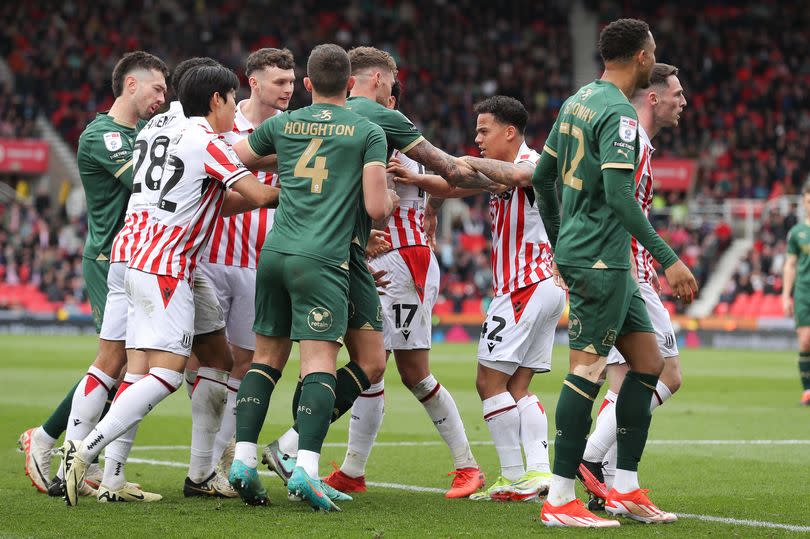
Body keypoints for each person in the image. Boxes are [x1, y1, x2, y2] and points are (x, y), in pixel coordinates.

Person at [60, 61, 280, 507]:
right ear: (216, 100)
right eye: (232, 99)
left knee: (201, 359)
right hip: (168, 262)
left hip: (136, 252)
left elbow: (212, 198)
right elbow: (257, 195)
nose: (234, 107)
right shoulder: (207, 141)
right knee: (165, 375)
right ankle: (86, 451)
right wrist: (313, 185)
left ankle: (133, 478)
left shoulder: (156, 126)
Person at [532, 18, 698, 527]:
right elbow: (621, 198)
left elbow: (542, 178)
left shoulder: (577, 101)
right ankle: (559, 498)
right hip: (601, 260)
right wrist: (669, 259)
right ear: (643, 57)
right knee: (586, 372)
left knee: (647, 366)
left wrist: (561, 242)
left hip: (603, 259)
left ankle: (624, 488)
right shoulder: (621, 117)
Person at [227, 43, 391, 512]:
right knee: (318, 361)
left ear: (307, 83)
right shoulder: (367, 131)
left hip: (275, 252)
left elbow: (238, 155)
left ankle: (242, 462)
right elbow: (377, 209)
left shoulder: (283, 124)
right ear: (352, 84)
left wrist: (282, 163)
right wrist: (388, 199)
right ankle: (306, 468)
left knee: (265, 359)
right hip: (323, 258)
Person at [388, 95, 566, 503]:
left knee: (488, 382)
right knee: (517, 387)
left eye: (484, 130)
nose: (478, 137)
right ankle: (536, 474)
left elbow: (511, 175)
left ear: (509, 131)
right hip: (543, 287)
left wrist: (455, 160)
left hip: (523, 285)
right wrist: (418, 181)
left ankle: (513, 474)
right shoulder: (503, 172)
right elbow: (452, 184)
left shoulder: (535, 164)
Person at [18, 51, 168, 496]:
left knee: (136, 367)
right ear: (131, 85)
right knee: (117, 360)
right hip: (109, 259)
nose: (164, 97)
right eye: (157, 88)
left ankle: (91, 460)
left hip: (142, 259)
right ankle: (45, 440)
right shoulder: (102, 135)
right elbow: (149, 184)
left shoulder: (145, 132)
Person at [578, 63, 689, 507]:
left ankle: (616, 483)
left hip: (628, 271)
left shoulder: (641, 143)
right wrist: (655, 265)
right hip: (628, 273)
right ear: (654, 97)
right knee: (665, 372)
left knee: (624, 378)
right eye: (677, 94)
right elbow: (615, 204)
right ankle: (591, 459)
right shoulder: (632, 140)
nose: (684, 102)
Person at [192, 47, 296, 478]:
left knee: (248, 364)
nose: (289, 90)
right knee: (195, 361)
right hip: (210, 258)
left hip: (257, 263)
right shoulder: (225, 124)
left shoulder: (293, 128)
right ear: (253, 82)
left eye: (292, 82)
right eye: (280, 82)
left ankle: (221, 460)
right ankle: (204, 459)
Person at [782, 181, 810, 406]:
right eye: (808, 202)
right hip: (803, 292)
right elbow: (790, 265)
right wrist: (785, 295)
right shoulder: (797, 233)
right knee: (805, 342)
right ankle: (808, 390)